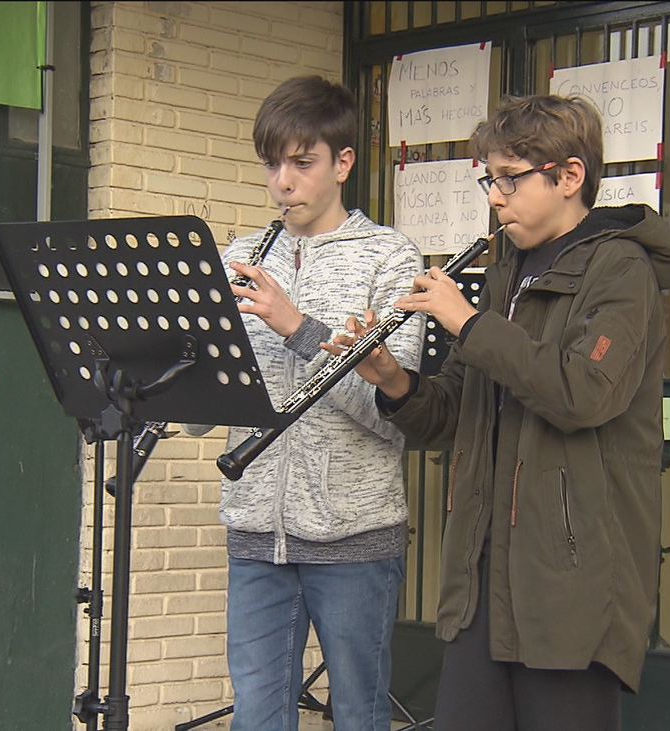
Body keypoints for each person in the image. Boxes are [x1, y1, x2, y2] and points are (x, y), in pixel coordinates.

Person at [329, 93, 670, 731]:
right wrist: (389, 377)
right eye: (488, 180)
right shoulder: (507, 273)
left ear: (570, 176)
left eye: (510, 179)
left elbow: (583, 392)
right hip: (482, 573)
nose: (494, 197)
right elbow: (449, 412)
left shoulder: (620, 270)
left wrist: (466, 320)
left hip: (569, 578)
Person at [184, 75, 424, 731]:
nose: (281, 182)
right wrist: (179, 364)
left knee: (358, 714)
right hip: (256, 531)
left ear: (342, 162)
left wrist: (297, 326)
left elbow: (388, 407)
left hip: (353, 537)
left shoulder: (390, 260)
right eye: (271, 163)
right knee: (256, 718)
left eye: (301, 161)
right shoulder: (240, 257)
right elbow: (201, 414)